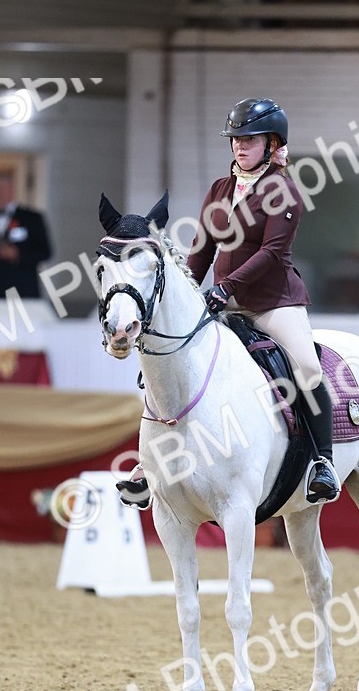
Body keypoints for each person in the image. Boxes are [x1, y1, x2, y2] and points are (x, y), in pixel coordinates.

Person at [118, 97, 341, 510]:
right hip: (224, 301)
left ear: (272, 144)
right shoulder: (220, 190)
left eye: (250, 139)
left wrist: (226, 287)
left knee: (308, 368)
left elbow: (272, 252)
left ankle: (322, 462)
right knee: (173, 363)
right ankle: (150, 466)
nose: (240, 146)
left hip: (273, 303)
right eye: (236, 139)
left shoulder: (283, 191)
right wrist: (185, 295)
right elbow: (203, 249)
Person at [0, 170, 52, 300]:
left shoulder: (32, 218)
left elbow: (45, 252)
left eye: (0, 189)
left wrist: (17, 254)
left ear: (11, 189)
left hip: (22, 289)